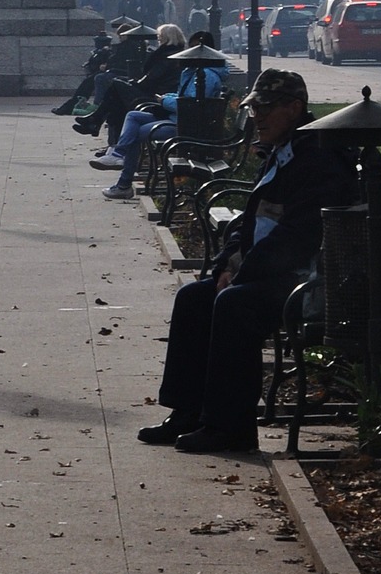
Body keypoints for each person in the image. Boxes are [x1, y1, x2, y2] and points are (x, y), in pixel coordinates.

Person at [137, 68, 359, 454]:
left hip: (304, 282)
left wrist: (242, 274)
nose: (256, 115)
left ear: (294, 108)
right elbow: (252, 220)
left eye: (266, 107)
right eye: (254, 107)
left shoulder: (319, 159)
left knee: (234, 305)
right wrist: (227, 264)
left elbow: (298, 237)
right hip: (270, 274)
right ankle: (187, 412)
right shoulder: (285, 150)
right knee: (194, 298)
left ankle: (231, 427)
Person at [99, 33, 228, 199]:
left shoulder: (206, 76)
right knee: (133, 116)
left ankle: (123, 183)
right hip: (177, 119)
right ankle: (117, 156)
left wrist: (166, 100)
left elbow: (189, 106)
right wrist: (168, 97)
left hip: (184, 125)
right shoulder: (193, 72)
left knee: (135, 134)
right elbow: (185, 98)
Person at [85, 23, 186, 164]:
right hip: (158, 94)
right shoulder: (171, 53)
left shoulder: (167, 55)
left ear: (167, 38)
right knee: (117, 98)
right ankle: (105, 135)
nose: (158, 39)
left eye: (160, 37)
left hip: (156, 96)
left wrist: (135, 83)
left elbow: (152, 78)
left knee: (116, 89)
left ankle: (99, 126)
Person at [50, 29, 113, 116]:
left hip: (105, 73)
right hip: (97, 73)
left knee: (87, 83)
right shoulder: (97, 52)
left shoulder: (107, 52)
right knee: (86, 85)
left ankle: (70, 106)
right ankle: (72, 105)